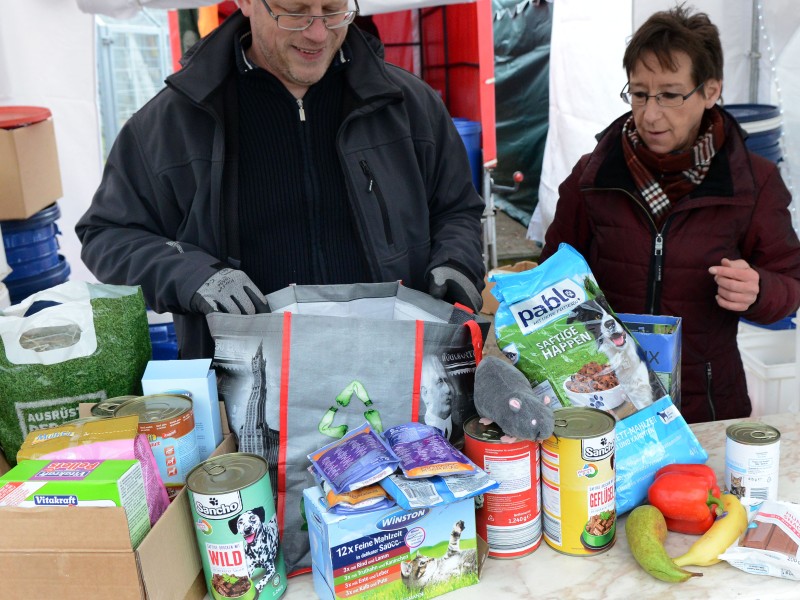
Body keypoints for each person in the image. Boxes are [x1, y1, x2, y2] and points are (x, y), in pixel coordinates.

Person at [76, 0, 485, 359]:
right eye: (295, 11)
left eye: (332, 10)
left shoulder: (410, 104)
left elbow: (456, 209)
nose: (318, 33)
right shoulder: (174, 120)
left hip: (398, 368)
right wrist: (192, 275)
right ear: (247, 2)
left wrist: (456, 261)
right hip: (245, 391)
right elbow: (108, 234)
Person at [539, 5, 800, 424]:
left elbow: (791, 281)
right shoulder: (593, 176)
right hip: (609, 403)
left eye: (670, 94)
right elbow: (552, 275)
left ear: (710, 91)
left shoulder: (753, 182)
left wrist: (759, 290)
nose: (650, 114)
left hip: (708, 406)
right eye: (639, 93)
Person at [420, 354, 455, 438]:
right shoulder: (417, 434)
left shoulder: (461, 432)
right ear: (425, 394)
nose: (448, 390)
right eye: (439, 382)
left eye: (446, 380)